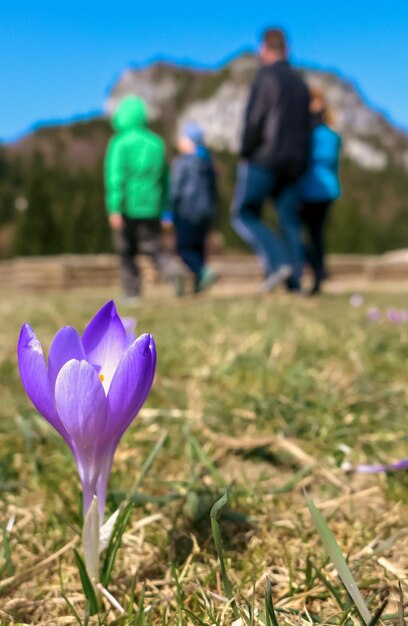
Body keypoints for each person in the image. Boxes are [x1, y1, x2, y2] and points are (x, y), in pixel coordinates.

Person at [231, 28, 310, 292]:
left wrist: (245, 152)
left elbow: (255, 119)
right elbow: (306, 129)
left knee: (243, 212)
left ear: (265, 49)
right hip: (292, 164)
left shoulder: (266, 76)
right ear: (286, 49)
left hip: (264, 158)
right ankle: (295, 283)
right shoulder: (301, 84)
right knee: (289, 222)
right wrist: (301, 163)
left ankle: (277, 263)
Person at [104, 95, 181, 302]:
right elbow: (165, 179)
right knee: (154, 247)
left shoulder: (120, 143)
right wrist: (166, 209)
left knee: (126, 251)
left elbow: (116, 177)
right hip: (152, 206)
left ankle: (132, 293)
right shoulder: (157, 143)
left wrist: (114, 207)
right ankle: (173, 270)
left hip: (128, 206)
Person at [299, 88, 341, 295]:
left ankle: (318, 271)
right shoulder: (320, 131)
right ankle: (317, 271)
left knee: (313, 233)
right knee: (310, 233)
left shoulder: (324, 132)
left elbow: (324, 158)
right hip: (313, 188)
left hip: (317, 189)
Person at [170, 122, 218, 292]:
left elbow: (175, 189)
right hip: (206, 211)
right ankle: (199, 285)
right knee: (199, 247)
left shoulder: (182, 162)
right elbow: (213, 189)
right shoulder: (207, 161)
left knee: (183, 248)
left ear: (189, 141)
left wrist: (169, 212)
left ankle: (203, 272)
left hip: (186, 210)